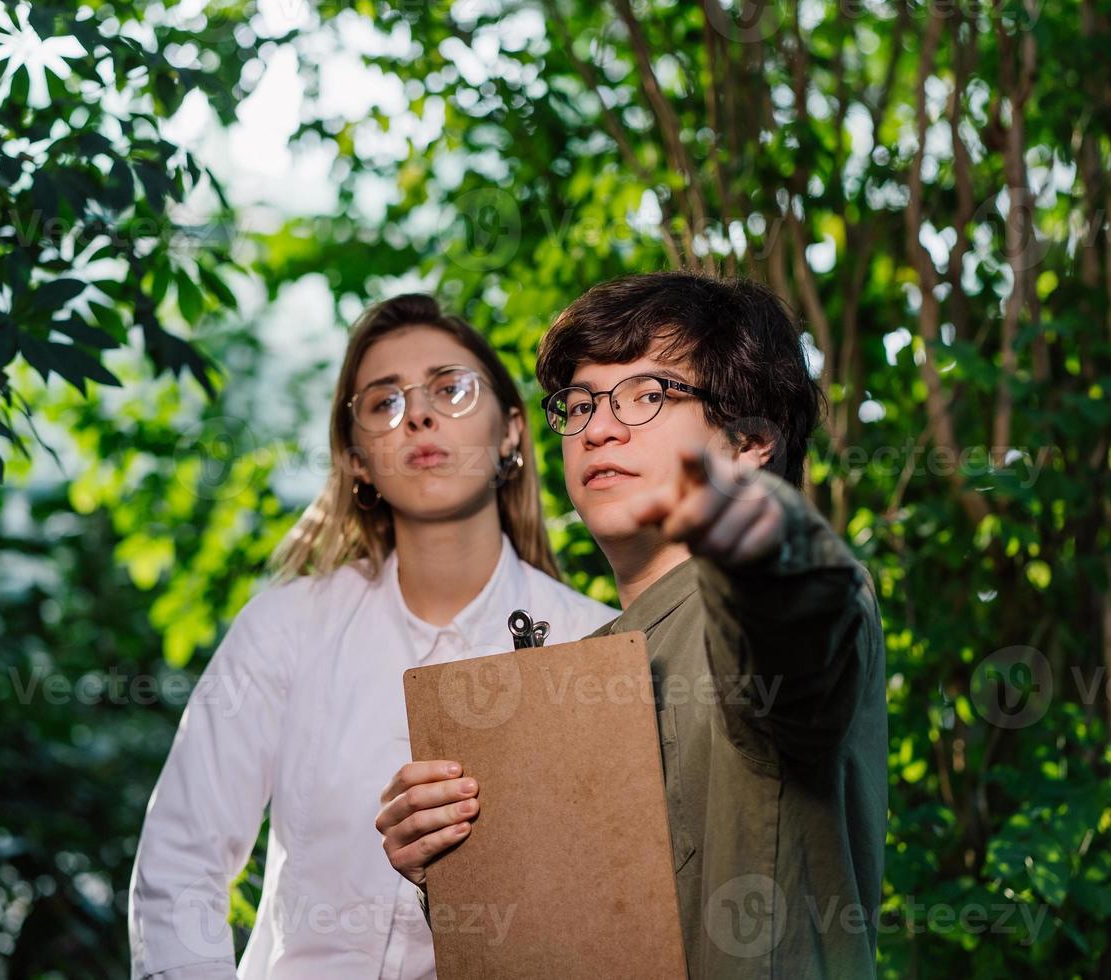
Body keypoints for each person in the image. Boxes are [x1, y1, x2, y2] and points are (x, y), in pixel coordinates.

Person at [376, 273, 888, 978]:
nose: (600, 428)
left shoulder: (780, 599)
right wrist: (451, 863)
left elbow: (795, 622)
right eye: (579, 405)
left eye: (649, 396)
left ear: (750, 443)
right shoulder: (582, 669)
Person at [128, 294, 618, 979]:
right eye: (383, 402)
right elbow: (180, 864)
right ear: (359, 461)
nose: (417, 414)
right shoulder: (284, 628)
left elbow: (610, 913)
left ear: (511, 432)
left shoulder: (591, 647)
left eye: (449, 388)